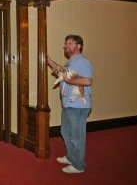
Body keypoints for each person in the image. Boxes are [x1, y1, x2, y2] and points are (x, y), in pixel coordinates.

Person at [47, 35, 93, 174]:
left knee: (76, 135)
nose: (66, 45)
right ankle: (71, 157)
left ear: (79, 46)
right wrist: (49, 61)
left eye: (70, 43)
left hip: (78, 105)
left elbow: (87, 81)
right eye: (66, 43)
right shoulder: (70, 62)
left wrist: (69, 81)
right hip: (68, 104)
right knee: (66, 132)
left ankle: (78, 165)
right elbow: (61, 72)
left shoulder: (82, 62)